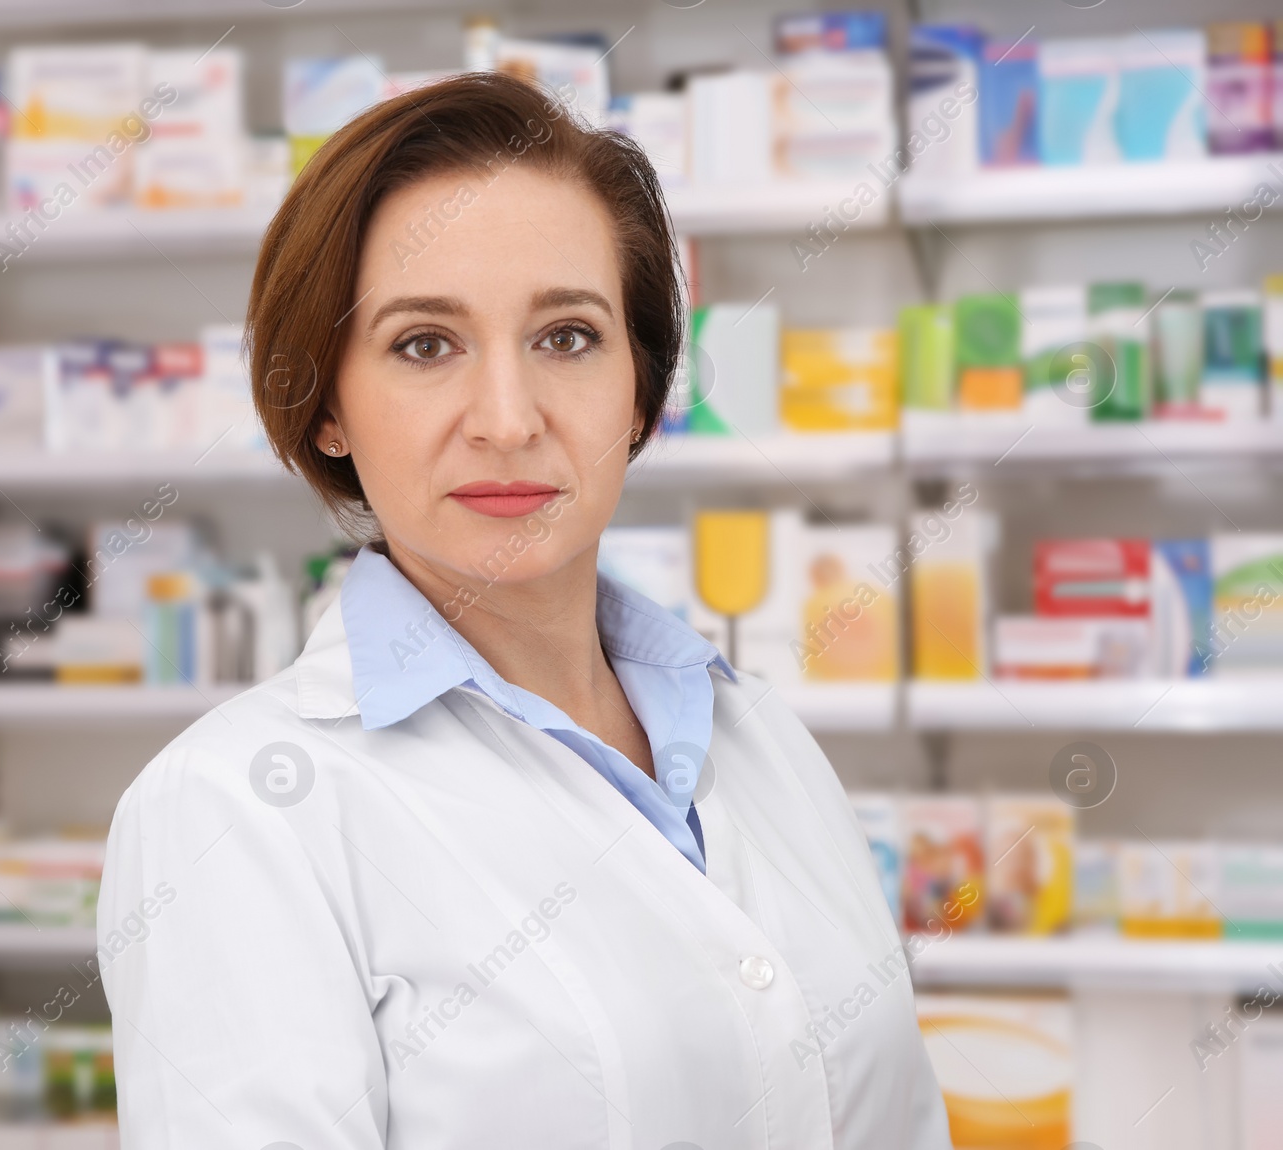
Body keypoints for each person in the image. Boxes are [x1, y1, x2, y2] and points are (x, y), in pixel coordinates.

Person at [99, 71, 950, 1149]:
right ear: (325, 407)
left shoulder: (757, 735)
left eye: (566, 337)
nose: (507, 420)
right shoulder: (232, 811)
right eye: (423, 344)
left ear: (639, 390)